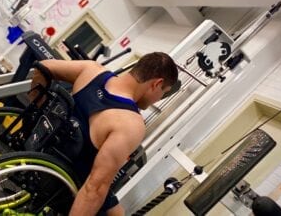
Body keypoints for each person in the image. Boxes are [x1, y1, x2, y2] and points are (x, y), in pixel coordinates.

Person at [31, 52, 178, 216]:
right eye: (163, 92)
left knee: (117, 212)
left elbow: (43, 66)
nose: (158, 99)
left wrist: (37, 113)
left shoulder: (91, 70)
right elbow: (94, 189)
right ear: (157, 84)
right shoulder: (130, 123)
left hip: (38, 150)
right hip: (65, 180)